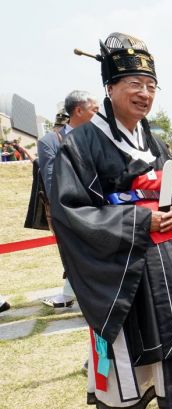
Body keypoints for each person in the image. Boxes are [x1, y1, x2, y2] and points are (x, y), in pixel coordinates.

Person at [51, 32, 172, 409]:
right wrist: (141, 221)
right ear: (109, 87)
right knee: (128, 346)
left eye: (150, 85)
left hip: (168, 258)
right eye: (133, 84)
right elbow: (71, 213)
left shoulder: (155, 140)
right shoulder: (80, 144)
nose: (144, 94)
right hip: (121, 266)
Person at [38, 91, 99, 308]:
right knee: (76, 254)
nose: (99, 113)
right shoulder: (50, 141)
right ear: (79, 110)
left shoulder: (99, 136)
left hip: (99, 208)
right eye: (95, 109)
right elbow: (51, 178)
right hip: (70, 210)